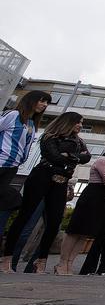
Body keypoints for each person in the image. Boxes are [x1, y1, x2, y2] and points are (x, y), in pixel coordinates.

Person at [2, 111, 90, 274]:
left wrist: (69, 155)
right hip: (42, 176)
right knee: (25, 216)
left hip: (61, 180)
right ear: (68, 122)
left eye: (82, 123)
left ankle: (40, 261)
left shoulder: (79, 141)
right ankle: (6, 258)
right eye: (78, 122)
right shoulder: (50, 136)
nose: (80, 125)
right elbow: (54, 157)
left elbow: (87, 157)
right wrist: (74, 157)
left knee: (54, 222)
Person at [55, 136, 105, 274]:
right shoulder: (103, 160)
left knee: (85, 233)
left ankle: (70, 263)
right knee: (75, 230)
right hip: (92, 196)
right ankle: (62, 262)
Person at [0, 90, 52, 244]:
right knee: (11, 199)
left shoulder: (30, 123)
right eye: (42, 101)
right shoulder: (13, 115)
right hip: (1, 162)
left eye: (47, 102)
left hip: (12, 167)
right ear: (31, 100)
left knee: (8, 202)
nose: (44, 105)